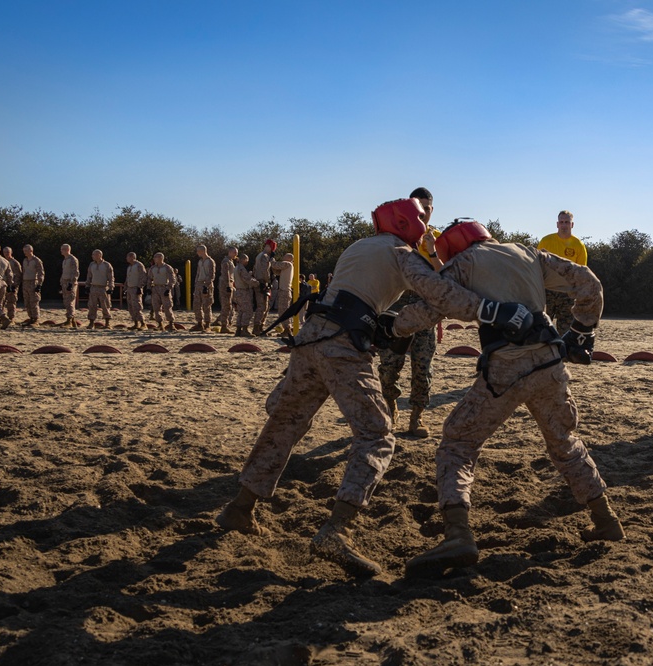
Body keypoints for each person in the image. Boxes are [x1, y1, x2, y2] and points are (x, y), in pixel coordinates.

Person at [215, 198, 535, 578]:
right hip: (342, 344)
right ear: (402, 221)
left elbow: (363, 293)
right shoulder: (400, 252)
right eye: (418, 218)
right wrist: (490, 310)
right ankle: (337, 530)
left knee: (286, 422)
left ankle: (240, 506)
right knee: (377, 435)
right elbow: (438, 292)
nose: (421, 224)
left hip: (312, 335)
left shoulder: (359, 246)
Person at [397, 219, 623, 576]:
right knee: (564, 442)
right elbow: (589, 284)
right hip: (549, 363)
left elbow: (431, 307)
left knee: (458, 442)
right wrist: (581, 329)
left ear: (453, 246)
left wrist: (392, 325)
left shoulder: (464, 263)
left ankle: (458, 534)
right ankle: (606, 520)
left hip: (505, 369)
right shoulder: (528, 252)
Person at [378, 187, 441, 437]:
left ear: (431, 210)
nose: (423, 213)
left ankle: (417, 417)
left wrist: (433, 250)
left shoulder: (438, 239)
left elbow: (445, 276)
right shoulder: (396, 237)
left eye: (426, 209)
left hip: (425, 310)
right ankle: (391, 407)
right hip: (396, 307)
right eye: (418, 208)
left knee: (422, 368)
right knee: (389, 366)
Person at [537, 210, 588, 333]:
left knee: (565, 330)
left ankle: (563, 352)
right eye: (561, 222)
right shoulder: (546, 241)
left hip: (567, 293)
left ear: (572, 225)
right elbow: (536, 265)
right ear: (557, 224)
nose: (564, 225)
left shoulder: (579, 245)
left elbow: (581, 272)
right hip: (547, 291)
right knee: (541, 326)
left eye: (567, 222)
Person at [251, 240, 278, 335]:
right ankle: (257, 327)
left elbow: (255, 269)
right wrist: (267, 282)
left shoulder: (259, 255)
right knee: (262, 306)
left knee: (264, 306)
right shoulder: (264, 256)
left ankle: (260, 327)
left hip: (260, 282)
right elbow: (264, 271)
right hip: (262, 283)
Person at [85, 249, 115, 329]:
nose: (92, 256)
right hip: (94, 287)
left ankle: (107, 323)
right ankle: (91, 322)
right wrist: (87, 286)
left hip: (103, 288)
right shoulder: (92, 265)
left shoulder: (106, 265)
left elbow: (111, 277)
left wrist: (111, 287)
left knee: (105, 305)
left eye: (94, 254)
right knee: (92, 305)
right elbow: (89, 276)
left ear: (99, 255)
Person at [148, 252, 177, 330]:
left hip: (164, 287)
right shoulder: (152, 268)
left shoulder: (167, 267)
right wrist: (149, 288)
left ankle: (171, 324)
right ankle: (160, 324)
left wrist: (168, 288)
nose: (154, 259)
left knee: (167, 306)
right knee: (156, 307)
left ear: (160, 258)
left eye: (155, 257)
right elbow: (149, 278)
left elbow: (172, 279)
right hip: (155, 288)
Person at [232, 253, 259, 337]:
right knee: (248, 311)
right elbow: (247, 279)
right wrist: (257, 283)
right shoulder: (241, 268)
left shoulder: (236, 268)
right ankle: (245, 329)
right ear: (243, 259)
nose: (247, 262)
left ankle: (238, 330)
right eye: (246, 260)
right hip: (243, 291)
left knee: (241, 311)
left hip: (238, 291)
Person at [192, 245, 216, 332]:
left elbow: (211, 275)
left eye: (198, 251)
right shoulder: (200, 261)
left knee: (206, 305)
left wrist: (206, 285)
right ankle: (199, 323)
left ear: (202, 251)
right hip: (199, 284)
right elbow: (198, 273)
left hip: (206, 284)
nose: (197, 253)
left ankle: (207, 324)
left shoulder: (210, 261)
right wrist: (196, 284)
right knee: (197, 305)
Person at [20, 244, 45, 327]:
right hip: (26, 282)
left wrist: (39, 284)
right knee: (27, 302)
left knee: (34, 301)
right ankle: (31, 318)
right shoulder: (25, 260)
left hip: (33, 282)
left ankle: (36, 319)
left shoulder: (37, 260)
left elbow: (41, 273)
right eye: (24, 251)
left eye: (26, 251)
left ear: (31, 250)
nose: (25, 252)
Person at [273, 252, 296, 337]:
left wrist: (272, 260)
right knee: (282, 310)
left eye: (285, 256)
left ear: (289, 258)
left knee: (284, 311)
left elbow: (275, 265)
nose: (283, 257)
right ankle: (286, 328)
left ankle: (287, 329)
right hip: (284, 291)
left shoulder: (288, 264)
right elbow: (276, 272)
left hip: (285, 291)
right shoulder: (287, 266)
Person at [216, 248, 238, 333]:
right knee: (226, 305)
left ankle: (224, 324)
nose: (235, 254)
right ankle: (224, 326)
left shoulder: (230, 261)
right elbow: (226, 274)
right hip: (226, 285)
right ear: (229, 252)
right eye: (234, 252)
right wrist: (228, 285)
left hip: (230, 284)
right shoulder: (226, 261)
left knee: (229, 305)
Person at [124, 252, 149, 330]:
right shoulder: (129, 267)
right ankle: (135, 323)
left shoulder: (139, 265)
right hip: (130, 288)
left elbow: (143, 276)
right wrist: (125, 287)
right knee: (131, 307)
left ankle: (143, 323)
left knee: (137, 306)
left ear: (132, 257)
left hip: (136, 288)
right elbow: (128, 278)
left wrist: (140, 287)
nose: (126, 258)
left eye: (127, 257)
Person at [59, 244, 80, 328]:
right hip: (64, 282)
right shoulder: (65, 260)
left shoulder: (72, 259)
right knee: (66, 302)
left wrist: (71, 283)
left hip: (70, 283)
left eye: (62, 249)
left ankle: (69, 320)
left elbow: (75, 272)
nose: (61, 251)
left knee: (70, 302)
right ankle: (72, 320)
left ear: (67, 249)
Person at [1, 247, 23, 323]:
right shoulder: (2, 261)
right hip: (3, 285)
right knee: (1, 302)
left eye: (8, 252)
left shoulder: (15, 263)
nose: (6, 254)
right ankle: (2, 317)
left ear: (11, 252)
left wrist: (14, 285)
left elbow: (19, 275)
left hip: (12, 285)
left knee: (11, 302)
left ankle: (11, 317)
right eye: (5, 252)